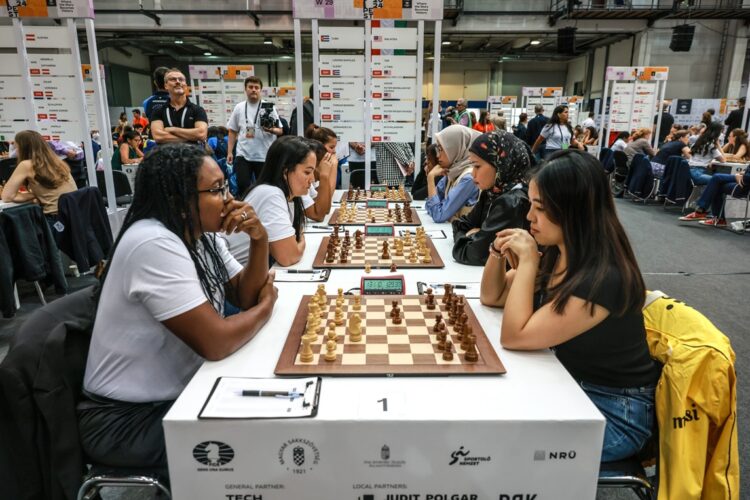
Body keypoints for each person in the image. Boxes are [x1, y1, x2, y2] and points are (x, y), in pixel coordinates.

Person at [78, 143, 277, 480]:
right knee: (264, 440)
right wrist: (268, 304)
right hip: (127, 420)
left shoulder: (199, 235)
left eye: (226, 185)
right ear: (177, 199)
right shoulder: (153, 243)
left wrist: (260, 239)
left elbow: (244, 296)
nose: (229, 199)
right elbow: (217, 341)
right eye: (216, 190)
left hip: (179, 393)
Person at [480, 150, 661, 463]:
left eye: (540, 208)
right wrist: (497, 252)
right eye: (531, 205)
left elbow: (515, 336)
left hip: (614, 415)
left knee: (497, 446)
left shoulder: (603, 278)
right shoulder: (561, 251)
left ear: (572, 210)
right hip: (570, 386)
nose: (528, 218)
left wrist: (527, 263)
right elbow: (492, 297)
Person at [452, 131, 532, 266]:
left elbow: (472, 253)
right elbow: (460, 224)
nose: (472, 173)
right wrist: (473, 236)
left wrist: (470, 237)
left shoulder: (512, 201)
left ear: (501, 164)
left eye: (477, 166)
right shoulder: (491, 192)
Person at [243, 136, 315, 266]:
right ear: (285, 171)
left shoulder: (289, 196)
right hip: (232, 279)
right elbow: (289, 257)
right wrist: (302, 241)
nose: (312, 179)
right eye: (307, 172)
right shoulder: (271, 194)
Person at [1, 130, 77, 224]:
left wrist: (35, 195)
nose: (16, 151)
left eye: (17, 148)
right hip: (75, 215)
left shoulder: (27, 165)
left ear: (23, 148)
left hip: (55, 219)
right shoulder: (57, 160)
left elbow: (6, 196)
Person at [226, 76, 283, 194]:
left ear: (260, 90)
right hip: (243, 154)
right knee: (242, 186)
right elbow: (232, 130)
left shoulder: (269, 107)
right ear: (245, 89)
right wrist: (230, 152)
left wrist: (271, 130)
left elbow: (280, 131)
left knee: (264, 188)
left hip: (264, 154)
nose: (253, 90)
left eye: (256, 87)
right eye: (250, 87)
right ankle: (244, 210)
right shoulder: (239, 107)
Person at [424, 125, 481, 223]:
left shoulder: (469, 178)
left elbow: (438, 215)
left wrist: (430, 178)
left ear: (456, 148)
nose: (438, 155)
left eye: (441, 149)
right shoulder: (453, 171)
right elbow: (428, 206)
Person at [151, 68, 208, 146]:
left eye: (181, 79)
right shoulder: (158, 111)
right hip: (167, 156)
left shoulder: (198, 110)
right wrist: (192, 138)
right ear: (166, 85)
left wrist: (172, 129)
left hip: (192, 156)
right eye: (173, 79)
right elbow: (158, 136)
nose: (178, 81)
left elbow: (201, 134)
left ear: (186, 85)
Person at [679, 166, 750, 226]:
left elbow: (747, 177)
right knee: (716, 182)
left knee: (716, 179)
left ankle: (702, 211)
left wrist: (737, 176)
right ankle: (717, 218)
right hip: (744, 183)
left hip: (745, 187)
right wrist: (742, 173)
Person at [302, 126, 338, 222]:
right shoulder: (299, 177)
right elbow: (319, 215)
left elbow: (325, 208)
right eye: (331, 147)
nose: (334, 151)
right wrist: (325, 175)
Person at [688, 121, 726, 186]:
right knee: (721, 181)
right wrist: (718, 144)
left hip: (689, 172)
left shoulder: (697, 142)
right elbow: (723, 160)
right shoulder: (710, 146)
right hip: (698, 174)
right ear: (717, 133)